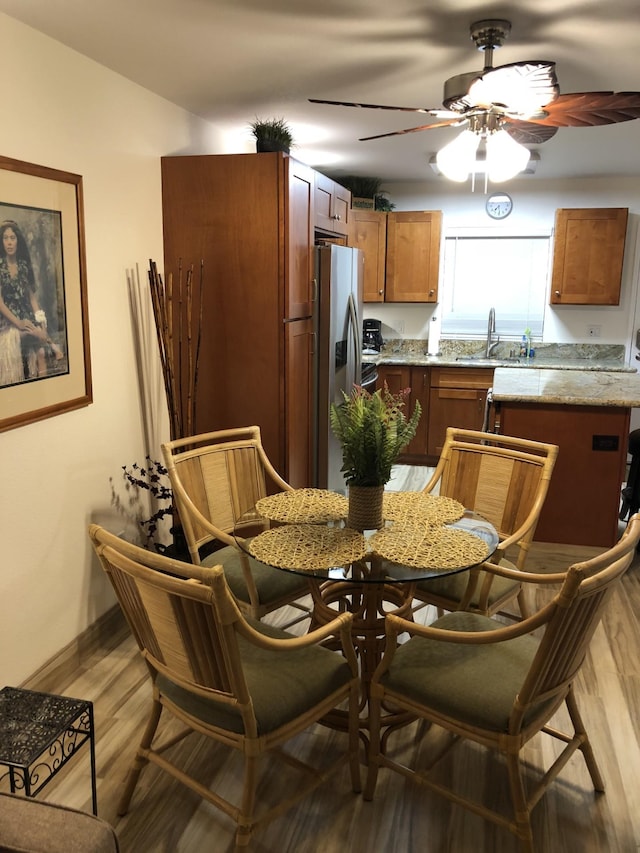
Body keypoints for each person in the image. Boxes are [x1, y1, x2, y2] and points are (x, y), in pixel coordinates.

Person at [0, 219, 63, 383]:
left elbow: (32, 298)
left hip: (25, 317)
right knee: (27, 331)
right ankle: (52, 344)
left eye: (12, 238)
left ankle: (42, 393)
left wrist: (40, 319)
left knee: (40, 353)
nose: (9, 242)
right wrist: (18, 322)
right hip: (8, 322)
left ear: (17, 240)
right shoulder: (0, 267)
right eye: (5, 238)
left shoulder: (22, 266)